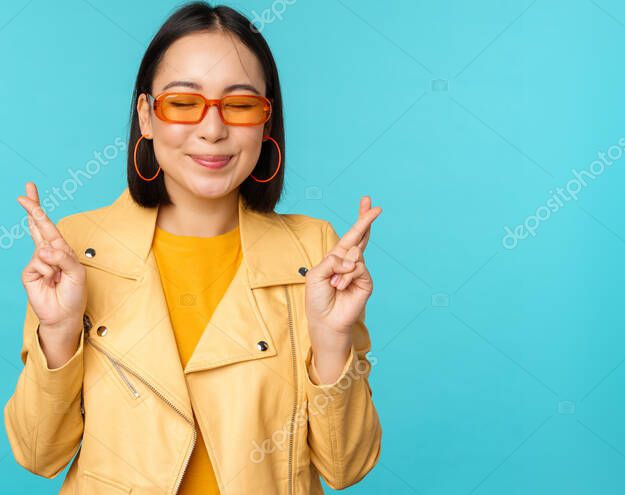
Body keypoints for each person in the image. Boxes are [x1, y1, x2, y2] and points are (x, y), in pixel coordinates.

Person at [4, 3, 382, 493]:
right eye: (183, 103)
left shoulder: (314, 251)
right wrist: (57, 334)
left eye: (240, 105)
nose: (212, 129)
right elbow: (38, 454)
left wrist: (333, 344)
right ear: (146, 116)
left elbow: (346, 467)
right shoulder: (78, 249)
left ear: (267, 123)